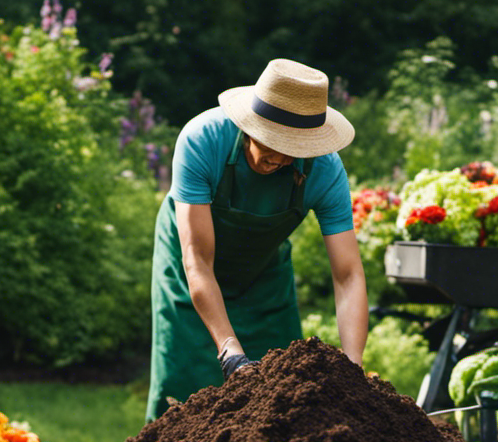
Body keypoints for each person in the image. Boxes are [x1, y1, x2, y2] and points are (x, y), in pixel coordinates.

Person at [145, 57, 368, 422]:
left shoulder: (324, 170)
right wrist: (230, 352)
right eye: (271, 141)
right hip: (189, 276)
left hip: (264, 280)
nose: (278, 157)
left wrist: (353, 368)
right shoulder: (203, 141)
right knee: (182, 399)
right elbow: (197, 259)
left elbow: (348, 275)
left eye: (292, 147)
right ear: (250, 125)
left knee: (282, 409)